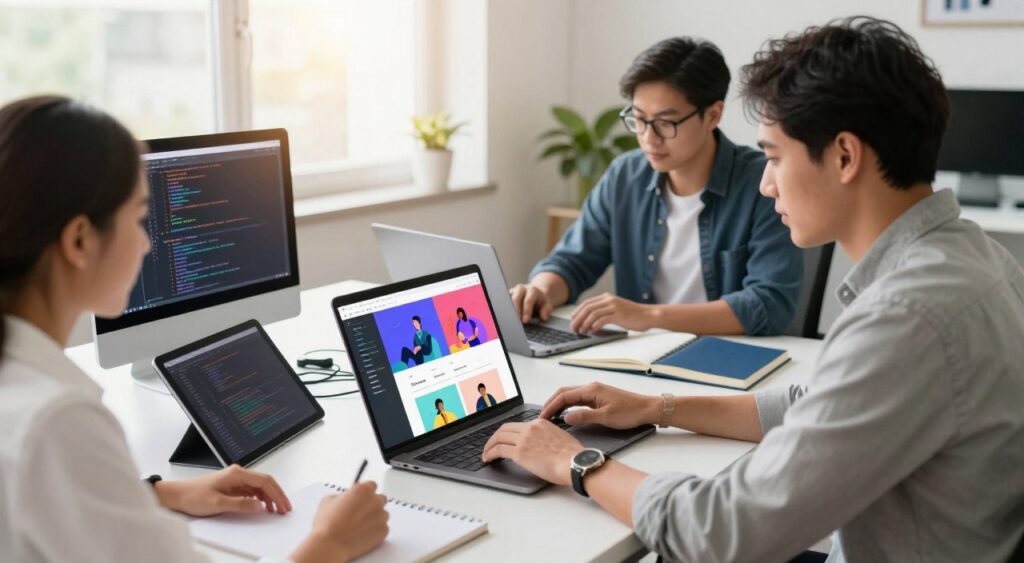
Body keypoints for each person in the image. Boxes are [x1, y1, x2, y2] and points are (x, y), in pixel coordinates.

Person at [482, 17, 1024, 562]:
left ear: (843, 156)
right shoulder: (977, 257)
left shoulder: (907, 315)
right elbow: (808, 405)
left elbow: (724, 532)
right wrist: (655, 406)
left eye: (774, 156)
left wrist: (575, 463)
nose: (766, 183)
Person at [0, 96, 389, 563]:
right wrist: (332, 542)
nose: (146, 241)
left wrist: (161, 495)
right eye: (139, 216)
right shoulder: (60, 422)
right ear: (80, 240)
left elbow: (45, 503)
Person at [510, 37, 803, 337]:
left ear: (713, 115)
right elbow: (572, 261)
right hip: (640, 355)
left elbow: (769, 304)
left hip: (730, 356)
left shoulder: (763, 184)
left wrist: (650, 316)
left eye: (665, 123)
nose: (649, 138)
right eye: (638, 120)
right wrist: (541, 290)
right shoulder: (625, 175)